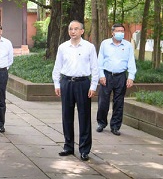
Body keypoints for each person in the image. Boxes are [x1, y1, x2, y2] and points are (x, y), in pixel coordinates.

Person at [51, 20, 99, 161]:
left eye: (76, 29)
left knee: (84, 116)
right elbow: (57, 66)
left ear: (82, 31)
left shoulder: (89, 47)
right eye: (71, 29)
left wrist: (93, 86)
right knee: (67, 115)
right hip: (66, 82)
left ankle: (84, 149)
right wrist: (57, 84)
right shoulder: (63, 47)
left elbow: (95, 68)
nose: (73, 31)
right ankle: (68, 146)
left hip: (83, 83)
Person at [96, 23, 137, 136]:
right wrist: (101, 75)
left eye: (122, 31)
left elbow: (131, 61)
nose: (120, 33)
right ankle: (101, 123)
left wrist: (131, 77)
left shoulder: (127, 45)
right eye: (118, 31)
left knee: (119, 102)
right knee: (103, 101)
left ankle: (115, 126)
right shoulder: (105, 44)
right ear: (112, 32)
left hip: (121, 76)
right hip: (107, 75)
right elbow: (100, 60)